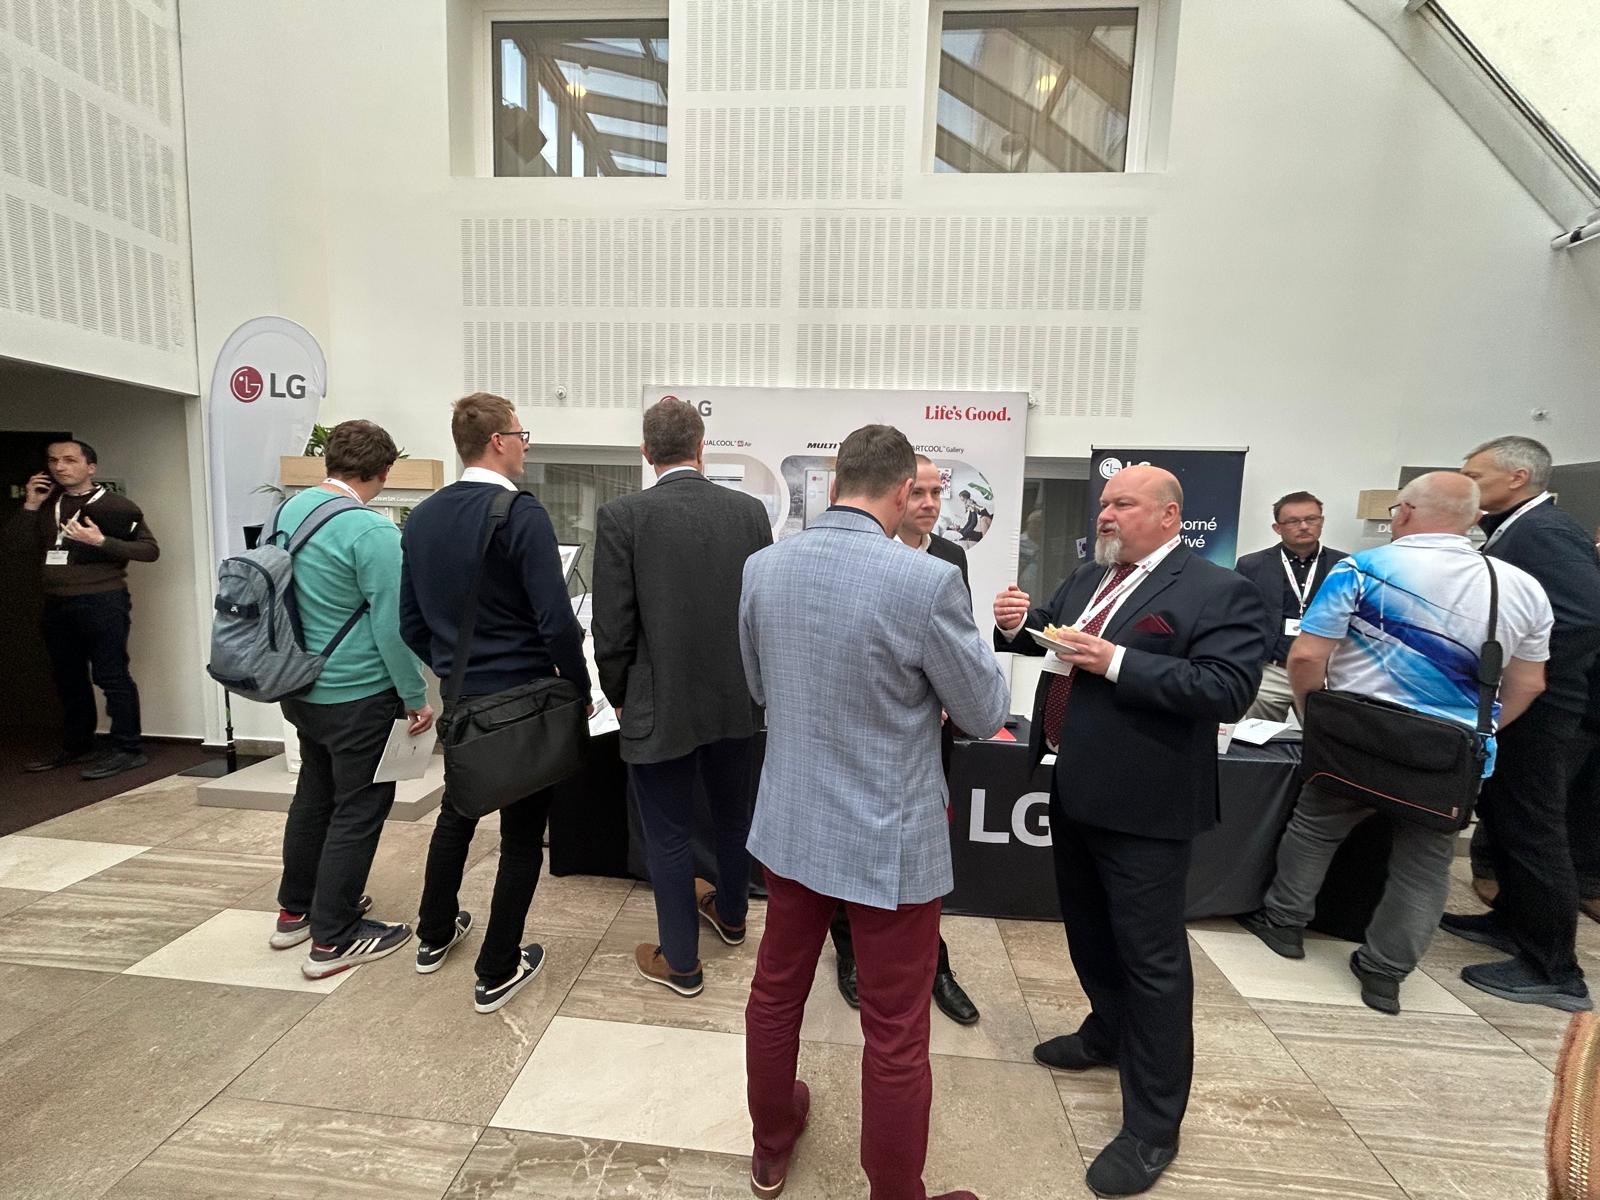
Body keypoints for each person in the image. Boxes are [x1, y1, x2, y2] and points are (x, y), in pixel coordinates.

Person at [740, 425, 1009, 1200]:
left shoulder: (763, 566)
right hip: (889, 835)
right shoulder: (926, 581)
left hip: (792, 822)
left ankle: (770, 1146)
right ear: (899, 493)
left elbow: (759, 687)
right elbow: (983, 709)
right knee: (895, 1028)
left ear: (833, 487)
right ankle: (895, 1192)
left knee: (776, 992)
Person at [993, 464, 1264, 1198]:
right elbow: (1052, 637)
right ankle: (1107, 1034)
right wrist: (1016, 625)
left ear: (1171, 516)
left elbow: (1226, 690)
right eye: (1104, 503)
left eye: (1123, 503)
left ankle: (1152, 1127)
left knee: (1152, 962)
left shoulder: (1217, 589)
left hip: (1148, 806)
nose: (1106, 514)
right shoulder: (1091, 578)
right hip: (1075, 786)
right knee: (1088, 934)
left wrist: (1116, 661)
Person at [1237, 473, 1552, 1013]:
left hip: (1357, 736)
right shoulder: (1520, 587)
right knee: (1425, 864)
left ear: (1403, 513)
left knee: (1315, 829)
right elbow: (1529, 683)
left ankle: (1284, 924)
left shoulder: (1362, 569)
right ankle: (1384, 973)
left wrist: (1317, 718)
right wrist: (1478, 733)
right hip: (1448, 752)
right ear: (1475, 520)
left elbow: (1308, 657)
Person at [401, 393, 592, 1014]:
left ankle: (433, 935)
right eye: (521, 433)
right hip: (525, 702)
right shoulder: (520, 513)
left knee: (457, 815)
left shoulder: (422, 518)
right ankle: (497, 968)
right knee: (521, 838)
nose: (526, 444)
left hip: (464, 700)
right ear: (498, 441)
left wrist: (454, 671)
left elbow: (409, 623)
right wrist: (577, 688)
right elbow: (556, 621)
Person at [592, 397, 772, 997]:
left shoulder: (623, 516)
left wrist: (617, 692)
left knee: (667, 834)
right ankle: (733, 916)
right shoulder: (749, 514)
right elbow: (759, 610)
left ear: (647, 453)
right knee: (734, 816)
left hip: (657, 700)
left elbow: (612, 625)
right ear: (701, 447)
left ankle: (682, 962)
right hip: (737, 696)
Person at [268, 421, 433, 978]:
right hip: (358, 693)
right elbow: (392, 626)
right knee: (359, 809)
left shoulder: (288, 513)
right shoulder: (372, 531)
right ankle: (333, 937)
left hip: (299, 685)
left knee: (313, 796)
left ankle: (296, 911)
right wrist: (415, 696)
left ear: (330, 460)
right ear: (384, 471)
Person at [1442, 436, 1600, 1010]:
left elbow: (1583, 616)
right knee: (1505, 816)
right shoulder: (1514, 528)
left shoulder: (1545, 531)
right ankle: (1511, 920)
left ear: (1517, 477)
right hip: (1519, 702)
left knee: (1535, 826)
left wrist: (1521, 669)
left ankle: (1554, 968)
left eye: (1475, 476)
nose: (1467, 485)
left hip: (1543, 707)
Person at [829, 454, 980, 1025]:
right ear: (896, 493)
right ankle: (850, 954)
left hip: (927, 741)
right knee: (844, 850)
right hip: (859, 735)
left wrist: (948, 698)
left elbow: (958, 650)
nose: (930, 503)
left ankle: (933, 963)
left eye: (938, 492)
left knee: (920, 859)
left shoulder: (950, 558)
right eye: (919, 492)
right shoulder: (862, 553)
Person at [7, 439, 159, 780]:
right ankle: (78, 744)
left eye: (69, 460)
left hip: (102, 600)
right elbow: (15, 546)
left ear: (91, 467)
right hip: (57, 601)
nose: (60, 467)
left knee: (110, 674)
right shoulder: (47, 503)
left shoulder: (117, 506)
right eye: (53, 461)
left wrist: (101, 541)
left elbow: (150, 551)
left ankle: (128, 748)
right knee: (67, 675)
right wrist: (30, 505)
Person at [1233, 491, 1349, 721]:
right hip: (1271, 670)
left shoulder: (1344, 565)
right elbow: (1236, 616)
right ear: (1277, 528)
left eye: (1311, 519)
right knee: (1257, 738)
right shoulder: (1251, 565)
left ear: (1322, 521)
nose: (1304, 526)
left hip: (1324, 672)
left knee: (1323, 737)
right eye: (1293, 521)